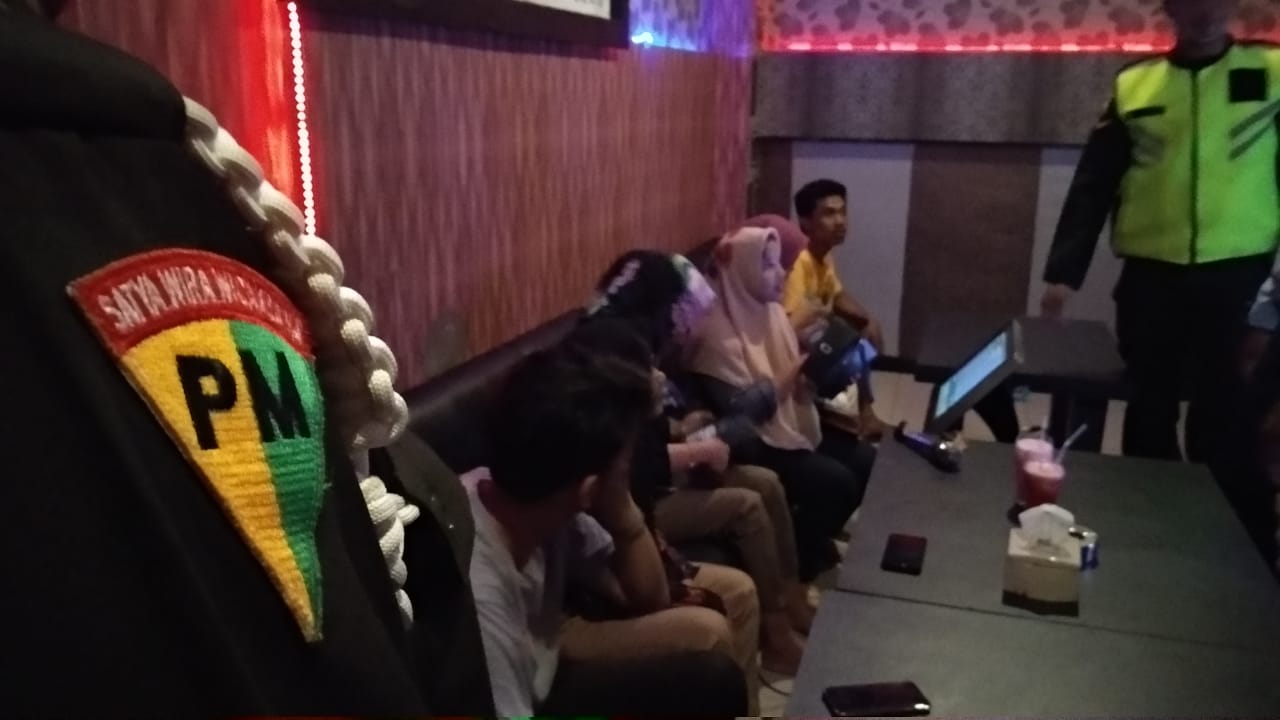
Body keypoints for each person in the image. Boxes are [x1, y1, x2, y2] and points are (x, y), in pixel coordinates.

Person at [1041, 0, 1278, 530]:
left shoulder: (1271, 71)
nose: (1206, 14)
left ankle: (1227, 535)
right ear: (1171, 9)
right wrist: (1063, 273)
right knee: (1150, 405)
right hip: (1152, 279)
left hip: (1240, 276)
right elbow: (1095, 181)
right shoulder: (1136, 84)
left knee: (1225, 410)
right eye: (1192, 3)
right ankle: (1148, 524)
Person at [463, 344, 748, 716]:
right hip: (530, 697)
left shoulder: (539, 504)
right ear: (589, 488)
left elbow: (649, 599)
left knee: (715, 677)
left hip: (546, 674)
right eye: (624, 465)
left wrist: (625, 517)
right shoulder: (480, 592)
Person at [583, 252, 811, 675]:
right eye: (684, 315)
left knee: (765, 482)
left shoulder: (627, 341)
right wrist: (697, 452)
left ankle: (790, 600)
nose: (686, 330)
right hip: (636, 501)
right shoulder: (613, 352)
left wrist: (681, 428)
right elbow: (629, 466)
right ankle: (778, 635)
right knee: (747, 504)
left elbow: (644, 437)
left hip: (651, 484)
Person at [687, 226, 876, 582]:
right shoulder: (715, 333)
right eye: (768, 265)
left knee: (866, 460)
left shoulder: (770, 312)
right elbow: (742, 411)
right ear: (742, 270)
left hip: (786, 422)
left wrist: (823, 366)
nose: (781, 274)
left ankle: (811, 542)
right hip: (753, 441)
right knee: (835, 483)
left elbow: (798, 382)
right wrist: (801, 366)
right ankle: (795, 566)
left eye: (779, 264)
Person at [785, 182, 889, 440]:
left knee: (860, 330)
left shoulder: (823, 255)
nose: (840, 221)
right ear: (805, 222)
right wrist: (837, 329)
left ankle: (864, 414)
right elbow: (789, 323)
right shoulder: (799, 261)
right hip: (793, 348)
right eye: (829, 214)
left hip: (816, 336)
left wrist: (867, 319)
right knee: (851, 339)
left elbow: (837, 294)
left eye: (843, 212)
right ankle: (839, 417)